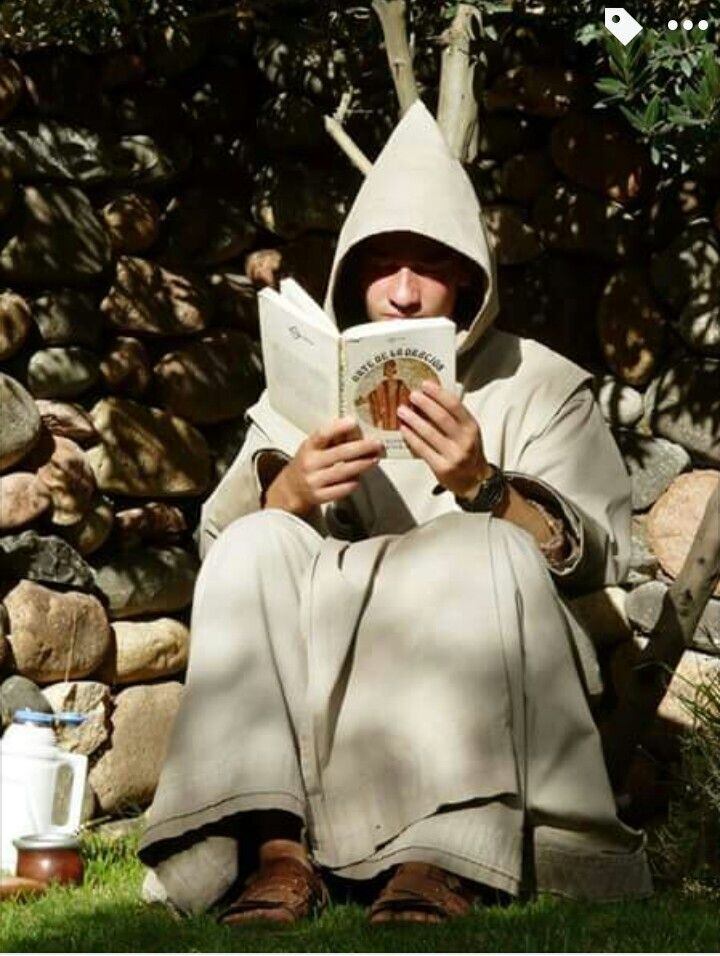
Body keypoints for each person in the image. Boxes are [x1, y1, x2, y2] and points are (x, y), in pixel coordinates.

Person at [138, 101, 651, 924]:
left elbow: (597, 554)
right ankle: (276, 848)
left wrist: (489, 485)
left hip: (480, 632)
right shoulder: (306, 382)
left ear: (471, 279)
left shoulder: (543, 383)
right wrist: (291, 494)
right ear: (350, 277)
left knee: (471, 548)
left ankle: (438, 855)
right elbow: (222, 544)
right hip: (327, 637)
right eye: (383, 266)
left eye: (430, 266)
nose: (405, 295)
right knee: (258, 541)